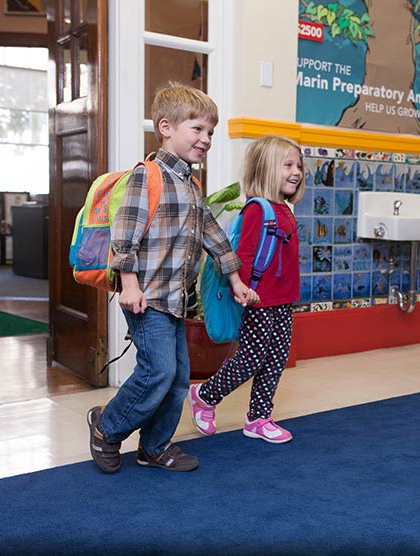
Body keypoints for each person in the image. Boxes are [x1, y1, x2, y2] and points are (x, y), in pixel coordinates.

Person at [87, 82, 258, 474]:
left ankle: (154, 446)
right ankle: (106, 427)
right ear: (166, 127)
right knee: (158, 371)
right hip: (146, 297)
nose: (206, 139)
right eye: (197, 129)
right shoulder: (145, 176)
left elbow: (213, 236)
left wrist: (234, 280)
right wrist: (128, 285)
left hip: (175, 300)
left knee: (179, 378)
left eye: (210, 132)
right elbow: (124, 236)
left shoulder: (192, 186)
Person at [188, 135, 304, 444]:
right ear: (266, 169)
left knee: (276, 359)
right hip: (259, 301)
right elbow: (245, 254)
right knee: (251, 359)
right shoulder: (258, 209)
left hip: (283, 301)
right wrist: (244, 289)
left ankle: (258, 418)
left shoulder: (286, 209)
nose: (296, 172)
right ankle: (204, 394)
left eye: (299, 166)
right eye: (288, 165)